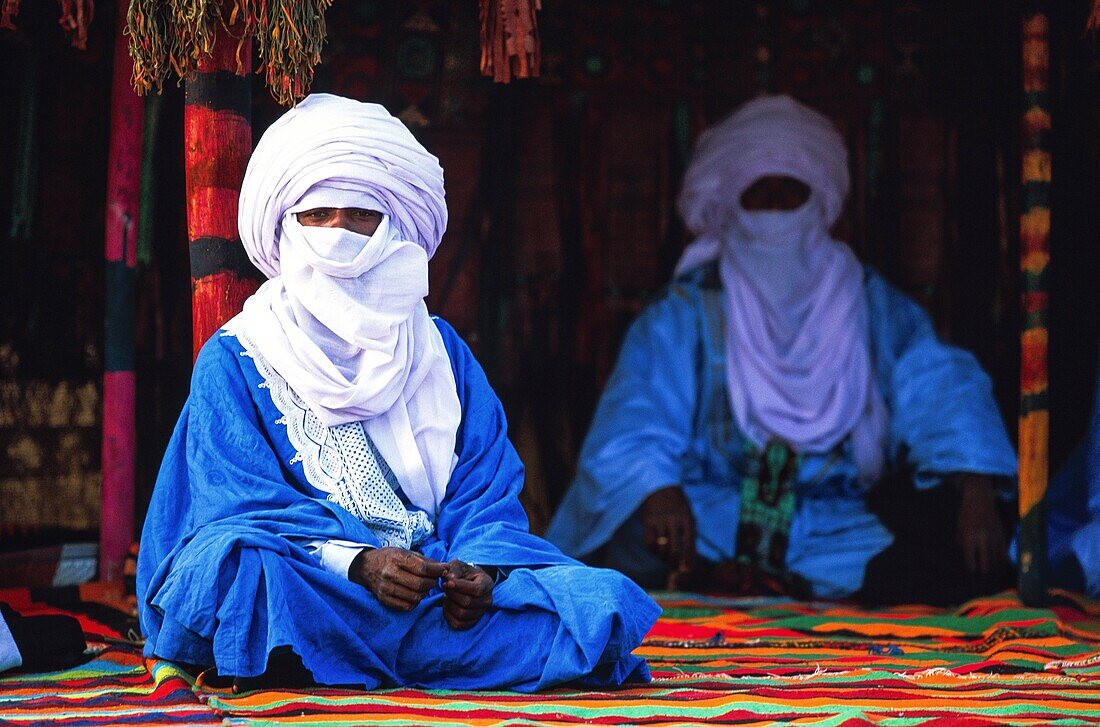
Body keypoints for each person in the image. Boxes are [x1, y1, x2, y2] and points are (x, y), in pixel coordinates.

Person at [136, 94, 658, 692]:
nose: (338, 236)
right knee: (244, 573)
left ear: (396, 228)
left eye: (361, 217)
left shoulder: (441, 352)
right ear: (283, 228)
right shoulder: (235, 358)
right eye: (316, 217)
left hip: (434, 595)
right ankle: (341, 649)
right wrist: (359, 564)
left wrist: (477, 572)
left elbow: (485, 488)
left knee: (593, 603)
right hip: (323, 587)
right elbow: (236, 505)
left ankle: (331, 661)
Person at [547, 95, 1018, 605]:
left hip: (835, 527)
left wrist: (975, 489)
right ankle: (718, 575)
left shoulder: (871, 304)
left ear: (819, 203)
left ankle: (739, 581)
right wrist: (657, 488)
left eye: (788, 196)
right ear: (731, 206)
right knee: (623, 540)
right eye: (758, 197)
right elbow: (637, 411)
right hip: (711, 516)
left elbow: (940, 386)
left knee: (945, 561)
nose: (773, 214)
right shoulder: (686, 310)